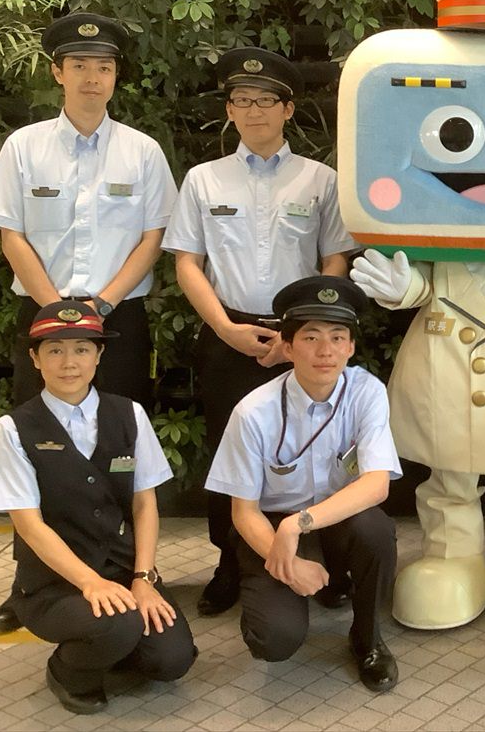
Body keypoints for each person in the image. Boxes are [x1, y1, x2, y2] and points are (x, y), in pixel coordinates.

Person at [0, 12, 178, 632]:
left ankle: (134, 571)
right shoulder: (24, 146)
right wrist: (55, 313)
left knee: (119, 448)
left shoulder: (141, 151)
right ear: (58, 72)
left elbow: (153, 238)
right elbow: (11, 235)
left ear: (116, 76)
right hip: (42, 317)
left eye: (105, 67)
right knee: (38, 446)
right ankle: (30, 582)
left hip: (117, 320)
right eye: (80, 65)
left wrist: (101, 308)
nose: (93, 77)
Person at [162, 46, 353, 617]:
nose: (253, 111)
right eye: (241, 100)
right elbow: (187, 263)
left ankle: (330, 559)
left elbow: (335, 260)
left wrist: (302, 338)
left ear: (287, 109)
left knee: (319, 446)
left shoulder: (321, 180)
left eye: (265, 100)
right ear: (229, 110)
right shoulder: (203, 180)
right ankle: (229, 563)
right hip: (230, 334)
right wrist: (225, 328)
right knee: (230, 451)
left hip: (304, 339)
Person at [0, 300, 196, 714]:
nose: (69, 363)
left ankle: (111, 646)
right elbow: (30, 526)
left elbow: (144, 502)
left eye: (81, 349)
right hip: (52, 582)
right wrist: (89, 582)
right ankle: (68, 671)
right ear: (35, 358)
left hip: (122, 568)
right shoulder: (12, 429)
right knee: (119, 624)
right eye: (55, 350)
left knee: (172, 660)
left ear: (98, 355)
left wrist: (143, 579)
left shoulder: (129, 414)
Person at [204, 276, 401, 691]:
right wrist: (289, 565)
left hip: (332, 519)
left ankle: (367, 637)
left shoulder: (366, 393)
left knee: (375, 529)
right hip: (271, 526)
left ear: (351, 346)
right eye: (311, 337)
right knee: (274, 640)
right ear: (288, 347)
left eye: (337, 337)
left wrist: (299, 524)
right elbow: (244, 512)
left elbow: (376, 484)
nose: (325, 350)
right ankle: (283, 585)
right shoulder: (253, 412)